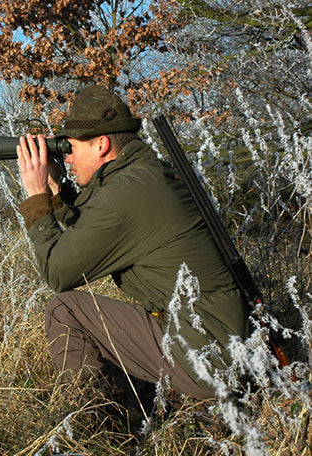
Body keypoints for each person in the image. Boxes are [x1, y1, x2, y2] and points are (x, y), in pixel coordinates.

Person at [15, 85, 251, 400]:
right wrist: (57, 190)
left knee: (65, 310)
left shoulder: (126, 193)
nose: (67, 157)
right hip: (216, 344)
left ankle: (95, 429)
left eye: (70, 147)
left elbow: (58, 272)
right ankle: (151, 402)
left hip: (206, 357)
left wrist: (36, 195)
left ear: (101, 144)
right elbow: (93, 228)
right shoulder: (143, 176)